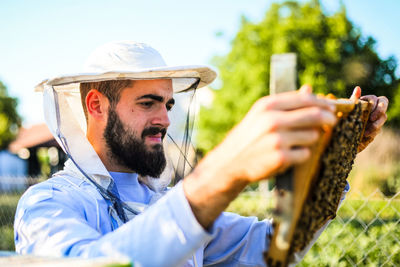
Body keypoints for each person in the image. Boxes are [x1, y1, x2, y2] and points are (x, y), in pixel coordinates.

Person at [14, 41, 388, 266]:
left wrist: (332, 160)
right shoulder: (46, 205)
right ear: (96, 105)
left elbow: (270, 248)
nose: (164, 119)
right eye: (148, 103)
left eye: (168, 104)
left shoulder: (164, 200)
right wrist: (222, 173)